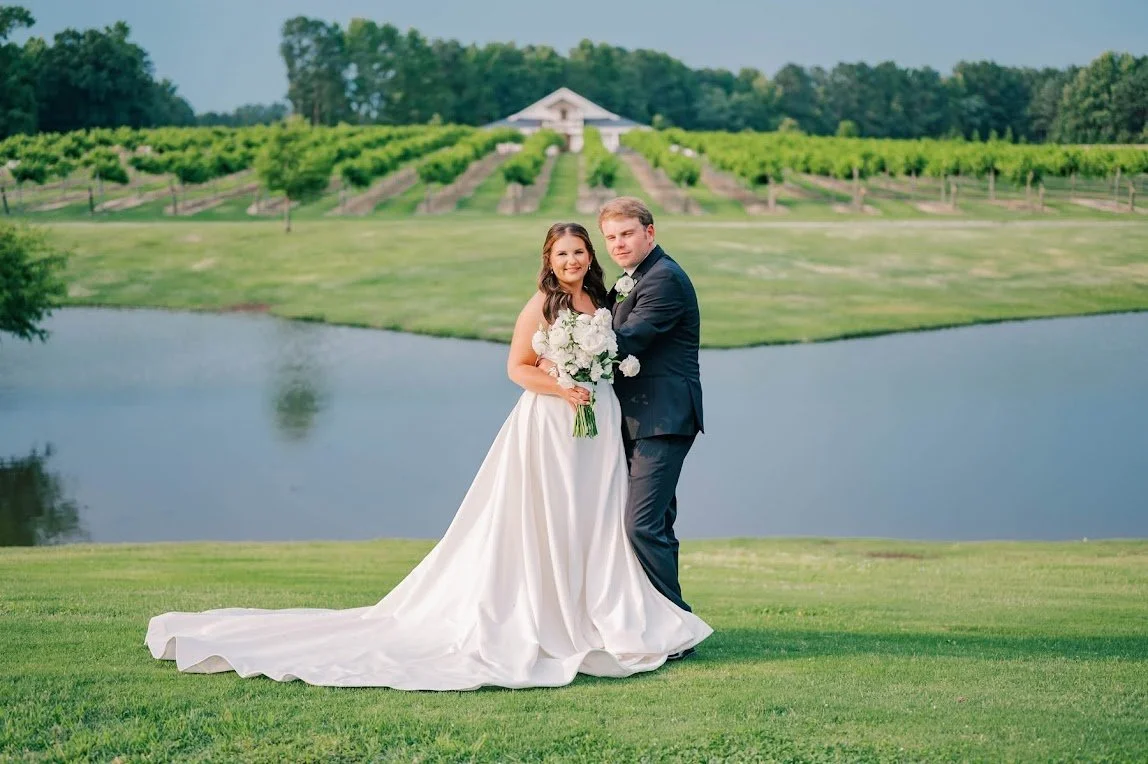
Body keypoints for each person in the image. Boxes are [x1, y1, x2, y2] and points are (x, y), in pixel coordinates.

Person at [145, 222, 711, 690]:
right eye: (562, 252)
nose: (572, 260)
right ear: (549, 258)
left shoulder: (606, 298)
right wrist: (563, 387)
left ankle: (601, 613)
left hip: (598, 423)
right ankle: (548, 614)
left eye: (580, 251)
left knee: (598, 519)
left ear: (591, 257)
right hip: (552, 424)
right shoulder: (544, 302)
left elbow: (619, 347)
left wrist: (591, 379)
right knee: (550, 517)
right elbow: (516, 367)